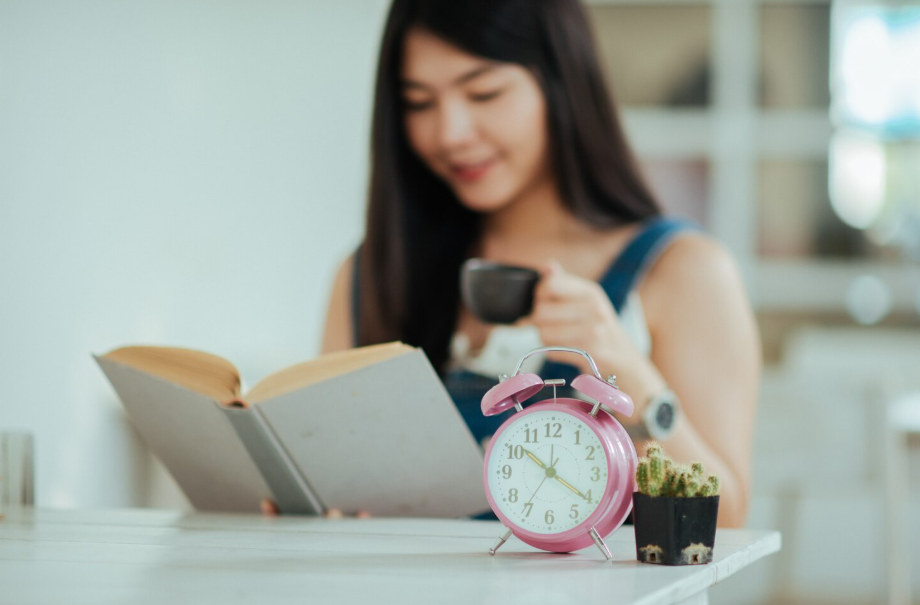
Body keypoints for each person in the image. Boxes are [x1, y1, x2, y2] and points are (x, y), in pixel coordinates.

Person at [321, 0, 760, 528]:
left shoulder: (683, 271)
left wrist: (632, 381)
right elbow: (338, 485)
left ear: (562, 81)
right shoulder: (371, 274)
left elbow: (725, 521)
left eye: (485, 93)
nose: (451, 132)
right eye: (418, 102)